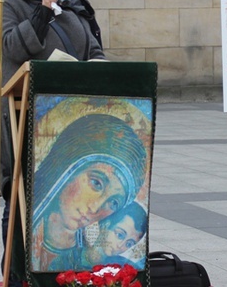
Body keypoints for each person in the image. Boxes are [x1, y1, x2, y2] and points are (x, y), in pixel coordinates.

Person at [0, 0, 104, 283]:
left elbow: (93, 49)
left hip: (75, 122)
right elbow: (10, 48)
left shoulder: (72, 3)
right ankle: (16, 276)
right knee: (23, 204)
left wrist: (98, 68)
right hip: (29, 120)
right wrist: (41, 9)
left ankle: (74, 275)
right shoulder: (7, 2)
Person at [31, 114, 147, 271]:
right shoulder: (25, 234)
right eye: (96, 183)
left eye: (113, 203)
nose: (95, 208)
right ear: (68, 167)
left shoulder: (90, 257)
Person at [74, 201, 148, 270]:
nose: (120, 245)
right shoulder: (72, 255)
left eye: (128, 244)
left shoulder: (125, 267)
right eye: (119, 235)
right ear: (105, 225)